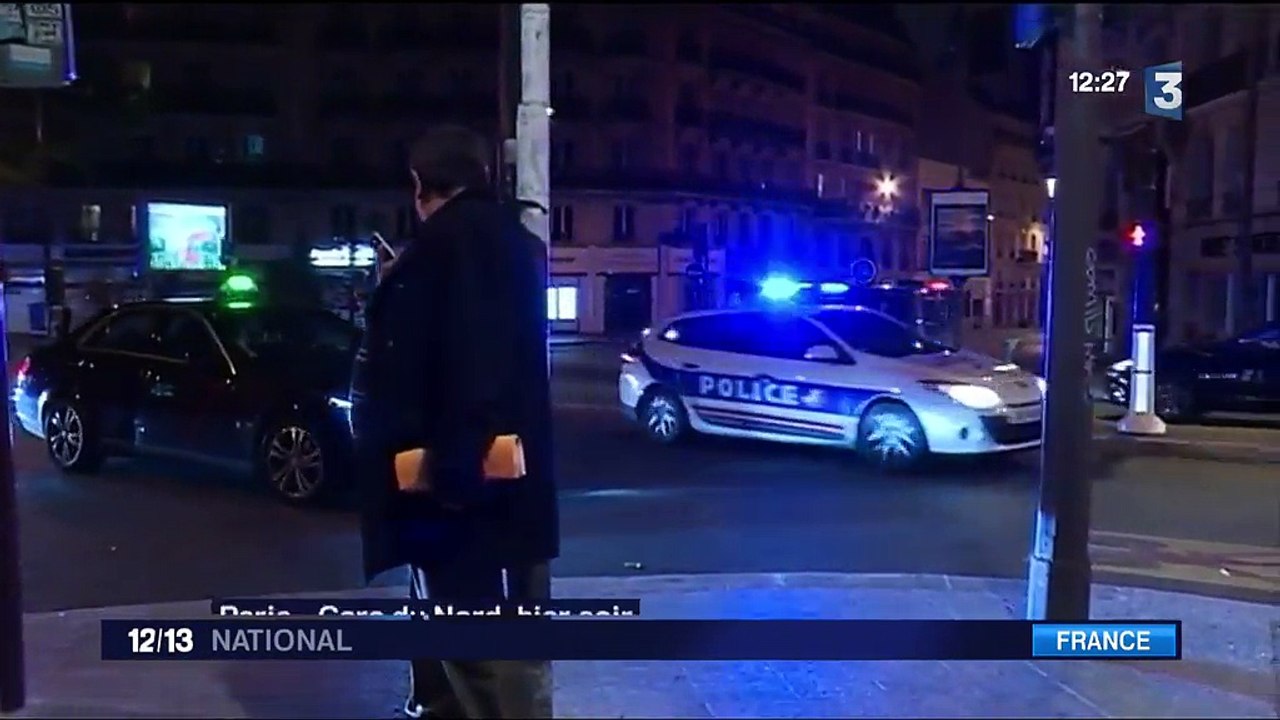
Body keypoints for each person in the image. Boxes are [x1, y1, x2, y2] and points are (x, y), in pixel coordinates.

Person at [350, 124, 558, 719]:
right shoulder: (515, 244)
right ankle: (437, 708)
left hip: (452, 484)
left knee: (468, 634)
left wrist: (453, 480)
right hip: (495, 480)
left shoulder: (444, 251)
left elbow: (467, 365)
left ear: (420, 185)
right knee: (470, 624)